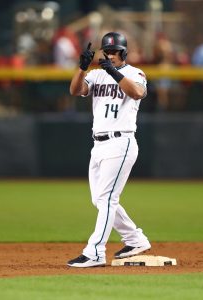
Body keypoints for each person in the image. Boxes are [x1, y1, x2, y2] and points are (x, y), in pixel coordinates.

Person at [67, 32, 151, 268]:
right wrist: (81, 68)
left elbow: (137, 93)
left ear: (124, 53)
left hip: (121, 142)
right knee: (100, 199)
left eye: (115, 52)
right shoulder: (96, 75)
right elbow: (75, 90)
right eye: (108, 52)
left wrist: (114, 73)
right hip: (99, 144)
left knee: (107, 198)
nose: (111, 55)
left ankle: (95, 252)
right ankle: (135, 239)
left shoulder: (135, 73)